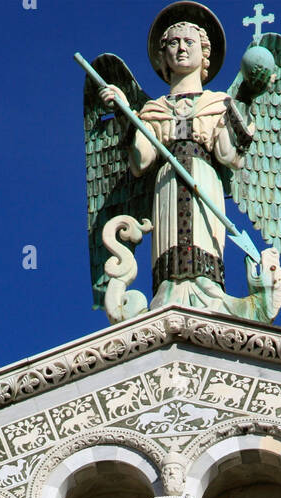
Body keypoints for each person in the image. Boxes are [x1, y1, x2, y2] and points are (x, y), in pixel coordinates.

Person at [100, 13, 253, 310]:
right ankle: (169, 290)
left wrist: (245, 99)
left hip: (203, 175)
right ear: (163, 56)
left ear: (204, 52)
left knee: (203, 245)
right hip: (167, 181)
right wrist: (125, 114)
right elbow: (141, 162)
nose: (181, 48)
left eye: (189, 42)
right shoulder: (153, 109)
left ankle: (207, 290)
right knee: (170, 250)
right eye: (173, 43)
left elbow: (228, 156)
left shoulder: (218, 103)